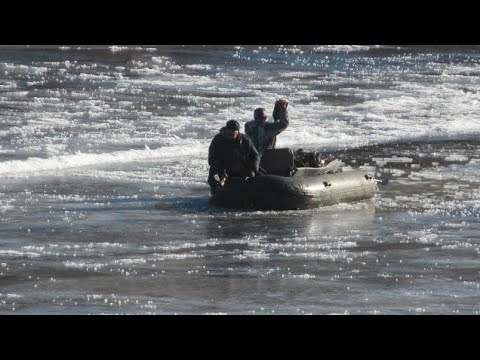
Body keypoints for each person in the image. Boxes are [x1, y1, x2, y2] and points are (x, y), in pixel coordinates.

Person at [207, 119, 260, 191]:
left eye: (232, 133)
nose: (230, 134)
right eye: (228, 132)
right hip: (223, 167)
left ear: (238, 132)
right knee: (214, 175)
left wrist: (253, 169)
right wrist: (221, 172)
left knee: (258, 177)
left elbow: (255, 155)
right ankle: (217, 190)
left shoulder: (245, 140)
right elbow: (211, 158)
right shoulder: (218, 139)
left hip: (241, 167)